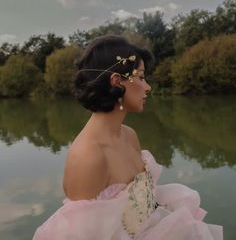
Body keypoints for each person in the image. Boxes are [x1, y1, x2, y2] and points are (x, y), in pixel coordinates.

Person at [33, 35, 223, 240]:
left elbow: (140, 209)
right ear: (117, 82)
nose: (148, 87)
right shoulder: (88, 155)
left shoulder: (129, 135)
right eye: (141, 77)